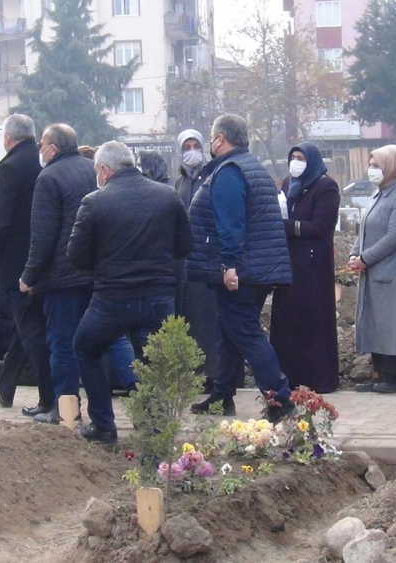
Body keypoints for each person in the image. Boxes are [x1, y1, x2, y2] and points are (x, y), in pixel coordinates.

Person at [68, 141, 192, 445]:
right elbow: (184, 246)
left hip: (112, 298)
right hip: (159, 297)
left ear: (104, 170)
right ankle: (154, 428)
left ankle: (104, 426)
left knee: (86, 347)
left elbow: (76, 256)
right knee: (152, 362)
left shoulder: (94, 202)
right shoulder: (167, 196)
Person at [20, 124, 134, 419]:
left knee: (63, 343)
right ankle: (144, 395)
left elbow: (43, 236)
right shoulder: (92, 171)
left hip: (63, 278)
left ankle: (66, 411)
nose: (40, 150)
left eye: (41, 144)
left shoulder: (47, 178)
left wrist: (29, 276)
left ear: (53, 148)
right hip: (99, 273)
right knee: (112, 337)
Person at [188, 114, 294, 422]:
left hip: (242, 271)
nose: (210, 143)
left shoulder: (230, 171)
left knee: (246, 333)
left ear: (220, 139)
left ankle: (279, 399)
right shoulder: (251, 166)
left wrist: (229, 265)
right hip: (256, 267)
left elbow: (230, 223)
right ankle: (223, 394)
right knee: (230, 331)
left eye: (211, 138)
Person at [0, 115, 54, 417]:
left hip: (16, 264)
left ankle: (48, 397)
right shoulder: (39, 164)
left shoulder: (10, 167)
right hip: (39, 258)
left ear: (8, 138)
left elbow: (0, 218)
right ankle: (6, 386)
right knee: (21, 326)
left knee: (30, 330)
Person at [350, 145, 396, 394]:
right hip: (373, 271)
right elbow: (365, 228)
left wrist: (365, 258)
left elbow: (394, 236)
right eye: (371, 165)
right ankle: (379, 375)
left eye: (377, 166)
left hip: (393, 273)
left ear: (393, 167)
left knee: (393, 325)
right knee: (376, 323)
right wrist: (354, 253)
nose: (372, 171)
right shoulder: (378, 194)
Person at [271, 141, 340, 393]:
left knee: (313, 321)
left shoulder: (326, 186)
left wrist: (289, 226)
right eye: (293, 157)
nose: (296, 162)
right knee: (288, 320)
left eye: (301, 157)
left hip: (313, 265)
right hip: (288, 261)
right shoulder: (290, 184)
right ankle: (288, 376)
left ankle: (319, 379)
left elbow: (322, 226)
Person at [174, 129, 219, 391]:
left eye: (195, 145)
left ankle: (211, 374)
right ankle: (192, 371)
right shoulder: (180, 182)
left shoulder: (212, 177)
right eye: (186, 147)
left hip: (208, 256)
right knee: (188, 317)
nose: (191, 151)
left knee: (207, 319)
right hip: (185, 260)